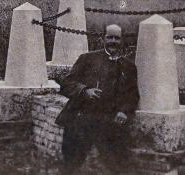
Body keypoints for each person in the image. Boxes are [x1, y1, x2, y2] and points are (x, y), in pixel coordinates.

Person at [55, 24, 139, 174]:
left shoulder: (129, 67)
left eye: (117, 38)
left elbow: (133, 95)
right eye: (110, 37)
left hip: (110, 123)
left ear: (122, 41)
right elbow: (66, 83)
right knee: (71, 165)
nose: (113, 41)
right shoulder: (87, 59)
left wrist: (124, 111)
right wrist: (85, 91)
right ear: (103, 38)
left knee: (115, 167)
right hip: (81, 119)